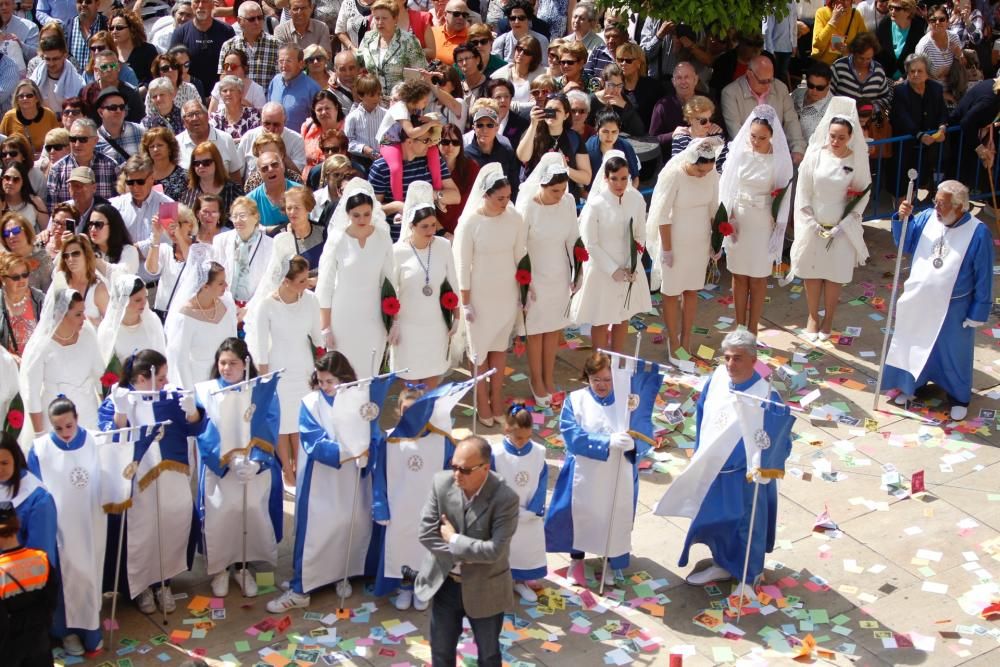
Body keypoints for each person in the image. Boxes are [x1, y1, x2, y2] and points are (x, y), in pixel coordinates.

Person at [654, 330, 795, 593]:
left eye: (738, 359)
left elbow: (780, 437)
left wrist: (765, 466)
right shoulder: (717, 378)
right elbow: (703, 412)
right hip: (712, 467)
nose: (730, 364)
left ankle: (748, 577)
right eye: (727, 358)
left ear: (754, 360)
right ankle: (722, 563)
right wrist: (699, 451)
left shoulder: (766, 395)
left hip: (744, 476)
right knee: (715, 521)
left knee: (745, 527)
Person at [265, 350, 385, 611]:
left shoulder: (359, 398)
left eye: (330, 381)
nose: (325, 387)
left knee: (350, 525)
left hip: (353, 477)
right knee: (319, 532)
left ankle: (343, 574)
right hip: (322, 479)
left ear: (343, 378)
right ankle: (302, 588)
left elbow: (373, 432)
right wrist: (353, 450)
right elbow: (314, 443)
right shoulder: (310, 403)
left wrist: (369, 448)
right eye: (321, 381)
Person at [545, 351, 661, 587]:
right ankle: (576, 561)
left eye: (607, 380)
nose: (601, 385)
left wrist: (634, 443)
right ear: (586, 377)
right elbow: (572, 436)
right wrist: (606, 442)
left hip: (618, 472)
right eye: (595, 379)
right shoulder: (575, 399)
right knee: (579, 516)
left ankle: (609, 561)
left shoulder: (627, 403)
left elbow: (643, 431)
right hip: (583, 473)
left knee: (613, 517)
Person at [97, 348, 198, 615]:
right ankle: (141, 587)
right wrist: (121, 412)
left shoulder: (170, 397)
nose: (166, 382)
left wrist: (192, 412)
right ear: (144, 377)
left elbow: (194, 427)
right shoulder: (119, 399)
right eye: (161, 377)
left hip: (171, 474)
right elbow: (112, 441)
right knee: (142, 534)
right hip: (138, 478)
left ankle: (164, 583)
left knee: (171, 527)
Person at [882, 181, 994, 421]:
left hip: (955, 306)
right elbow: (905, 243)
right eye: (936, 202)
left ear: (960, 207)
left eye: (942, 205)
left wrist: (978, 311)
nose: (937, 208)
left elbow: (983, 274)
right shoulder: (926, 217)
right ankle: (912, 385)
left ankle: (958, 397)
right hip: (920, 300)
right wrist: (901, 219)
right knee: (915, 343)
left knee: (953, 352)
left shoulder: (978, 232)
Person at [415, 435, 519, 667]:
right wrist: (470, 552)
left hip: (486, 588)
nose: (456, 475)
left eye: (464, 470)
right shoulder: (441, 484)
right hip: (446, 585)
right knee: (441, 652)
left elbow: (495, 551)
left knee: (489, 655)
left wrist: (453, 539)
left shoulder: (506, 499)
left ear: (485, 468)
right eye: (453, 467)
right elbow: (426, 534)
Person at [193, 337, 281, 598]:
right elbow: (203, 430)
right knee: (221, 515)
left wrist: (257, 460)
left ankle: (242, 566)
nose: (226, 368)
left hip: (251, 470)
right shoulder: (206, 391)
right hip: (220, 468)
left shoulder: (262, 391)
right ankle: (220, 569)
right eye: (222, 363)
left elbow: (270, 423)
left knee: (249, 513)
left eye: (232, 363)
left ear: (245, 364)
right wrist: (228, 458)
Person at [27, 397, 114, 656]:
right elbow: (34, 489)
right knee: (66, 577)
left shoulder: (96, 440)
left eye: (69, 425)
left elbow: (112, 469)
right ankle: (65, 633)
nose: (65, 432)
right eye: (58, 428)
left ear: (77, 418)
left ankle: (90, 630)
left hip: (92, 520)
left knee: (89, 574)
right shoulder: (39, 449)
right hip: (59, 526)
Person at [789, 97, 872, 340]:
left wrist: (844, 224)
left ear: (850, 137)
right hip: (814, 222)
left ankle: (829, 319)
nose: (835, 141)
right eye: (832, 135)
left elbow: (862, 193)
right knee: (812, 271)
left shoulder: (856, 160)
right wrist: (810, 221)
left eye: (841, 137)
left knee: (834, 273)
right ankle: (813, 316)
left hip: (841, 227)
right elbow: (803, 191)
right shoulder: (815, 155)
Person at [245, 238, 323, 487]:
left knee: (299, 421)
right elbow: (260, 344)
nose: (307, 283)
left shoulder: (310, 300)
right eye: (301, 280)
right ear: (286, 281)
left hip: (303, 368)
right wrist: (265, 377)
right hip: (278, 369)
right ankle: (286, 472)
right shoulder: (267, 305)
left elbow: (317, 336)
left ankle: (300, 469)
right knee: (282, 423)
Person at [454, 164, 526, 427]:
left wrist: (524, 290)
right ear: (485, 195)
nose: (505, 203)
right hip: (480, 294)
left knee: (499, 346)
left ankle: (498, 398)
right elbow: (462, 264)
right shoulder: (471, 222)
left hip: (506, 291)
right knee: (479, 350)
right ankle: (481, 401)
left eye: (508, 197)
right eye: (500, 198)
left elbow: (520, 255)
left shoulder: (514, 218)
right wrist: (466, 301)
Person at [718, 107, 794, 335]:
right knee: (739, 274)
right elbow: (727, 185)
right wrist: (727, 216)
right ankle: (740, 324)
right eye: (753, 136)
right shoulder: (738, 153)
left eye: (762, 137)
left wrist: (778, 223)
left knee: (759, 277)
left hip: (762, 221)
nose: (756, 141)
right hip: (739, 218)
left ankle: (754, 327)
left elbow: (784, 193)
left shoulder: (779, 159)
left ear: (771, 136)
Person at [645, 138, 721, 355]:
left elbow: (714, 209)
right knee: (671, 292)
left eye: (707, 171)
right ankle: (673, 340)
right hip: (675, 242)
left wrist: (717, 241)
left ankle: (686, 336)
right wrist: (667, 249)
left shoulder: (711, 174)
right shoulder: (674, 175)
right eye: (700, 170)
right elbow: (662, 214)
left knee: (691, 290)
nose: (703, 175)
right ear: (691, 161)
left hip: (700, 242)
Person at [570, 150, 650, 354]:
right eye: (614, 179)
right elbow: (590, 242)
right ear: (605, 178)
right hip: (602, 269)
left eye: (624, 178)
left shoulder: (637, 199)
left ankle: (617, 360)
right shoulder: (595, 205)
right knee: (602, 317)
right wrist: (612, 269)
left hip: (629, 266)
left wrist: (633, 262)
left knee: (623, 315)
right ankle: (600, 361)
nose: (620, 184)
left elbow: (641, 234)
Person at [515, 153, 577, 407]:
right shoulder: (528, 206)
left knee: (553, 328)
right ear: (542, 185)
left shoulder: (569, 202)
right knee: (536, 331)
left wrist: (578, 271)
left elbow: (573, 237)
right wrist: (525, 282)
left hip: (559, 272)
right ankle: (536, 379)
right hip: (535, 275)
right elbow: (519, 246)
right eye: (554, 190)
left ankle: (549, 378)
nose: (560, 194)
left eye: (563, 189)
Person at [316, 180, 394, 377]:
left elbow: (390, 281)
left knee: (369, 373)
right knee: (342, 375)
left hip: (373, 317)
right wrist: (325, 327)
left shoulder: (383, 237)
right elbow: (325, 285)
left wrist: (393, 321)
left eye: (367, 214)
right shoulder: (337, 239)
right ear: (347, 214)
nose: (362, 219)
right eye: (356, 215)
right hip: (343, 318)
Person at [389, 182, 459, 387]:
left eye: (433, 225)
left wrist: (456, 316)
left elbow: (452, 282)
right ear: (411, 226)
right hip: (408, 327)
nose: (430, 231)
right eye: (424, 226)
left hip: (435, 325)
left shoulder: (443, 246)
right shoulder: (397, 251)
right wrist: (393, 323)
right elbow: (391, 293)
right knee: (410, 385)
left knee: (432, 381)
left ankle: (428, 419)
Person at [20, 286, 104, 435]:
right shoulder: (41, 345)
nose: (84, 318)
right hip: (56, 419)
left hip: (89, 413)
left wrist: (107, 414)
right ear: (62, 314)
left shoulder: (88, 333)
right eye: (78, 314)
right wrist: (40, 435)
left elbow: (100, 376)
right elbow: (32, 393)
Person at [490, 405, 547, 602]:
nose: (523, 442)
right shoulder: (496, 454)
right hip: (504, 514)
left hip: (528, 515)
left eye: (527, 437)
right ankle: (502, 582)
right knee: (505, 551)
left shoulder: (539, 452)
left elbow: (542, 481)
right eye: (519, 438)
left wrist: (533, 510)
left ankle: (521, 581)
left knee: (525, 550)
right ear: (507, 429)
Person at [164, 244, 237, 388]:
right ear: (205, 286)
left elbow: (234, 343)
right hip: (198, 383)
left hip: (226, 380)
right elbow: (180, 360)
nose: (226, 286)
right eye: (221, 283)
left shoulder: (227, 304)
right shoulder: (185, 316)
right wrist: (190, 396)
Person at [721, 56, 806, 164]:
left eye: (770, 80)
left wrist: (797, 148)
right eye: (762, 81)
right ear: (749, 74)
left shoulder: (780, 88)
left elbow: (791, 120)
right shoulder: (730, 93)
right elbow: (736, 131)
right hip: (746, 155)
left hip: (778, 152)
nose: (768, 85)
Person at [516, 92, 590, 197]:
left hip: (563, 197)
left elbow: (586, 178)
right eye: (549, 109)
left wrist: (566, 168)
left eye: (557, 110)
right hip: (536, 196)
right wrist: (533, 124)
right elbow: (523, 157)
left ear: (566, 115)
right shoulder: (533, 133)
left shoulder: (573, 138)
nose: (552, 113)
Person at [358, 0, 429, 95]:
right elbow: (358, 64)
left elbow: (420, 76)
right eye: (377, 18)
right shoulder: (368, 38)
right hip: (374, 101)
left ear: (395, 19)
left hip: (402, 101)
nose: (380, 22)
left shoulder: (409, 41)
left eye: (384, 18)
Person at [46, 117, 118, 209]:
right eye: (73, 139)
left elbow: (118, 205)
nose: (77, 144)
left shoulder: (111, 166)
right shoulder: (57, 170)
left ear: (95, 141)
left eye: (83, 139)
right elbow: (53, 209)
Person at [169, 0, 235, 95]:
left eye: (205, 1)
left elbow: (233, 64)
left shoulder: (226, 31)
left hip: (221, 94)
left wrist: (218, 94)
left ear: (213, 4)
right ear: (192, 5)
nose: (200, 6)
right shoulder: (180, 33)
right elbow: (173, 65)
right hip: (189, 94)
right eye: (197, 1)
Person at [146, 204, 199, 318]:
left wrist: (179, 236)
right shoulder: (166, 249)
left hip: (185, 316)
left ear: (189, 224)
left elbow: (192, 264)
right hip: (161, 312)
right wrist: (156, 236)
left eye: (176, 224)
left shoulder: (201, 250)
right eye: (167, 225)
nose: (171, 230)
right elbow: (152, 270)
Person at [218, 2, 280, 91]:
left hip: (266, 102)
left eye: (260, 18)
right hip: (237, 102)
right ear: (239, 21)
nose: (257, 22)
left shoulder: (275, 45)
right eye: (251, 19)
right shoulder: (228, 46)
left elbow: (279, 79)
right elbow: (224, 76)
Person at [831, 32, 893, 117]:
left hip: (868, 123)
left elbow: (886, 97)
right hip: (841, 119)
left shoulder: (878, 70)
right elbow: (827, 94)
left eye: (868, 59)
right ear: (854, 53)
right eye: (861, 58)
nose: (865, 62)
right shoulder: (839, 67)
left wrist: (872, 107)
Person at [181, 142, 245, 224]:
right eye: (196, 163)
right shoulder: (187, 191)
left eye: (206, 162)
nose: (201, 166)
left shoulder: (234, 190)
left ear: (217, 163)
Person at [177, 100, 243, 179]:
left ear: (207, 115)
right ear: (183, 122)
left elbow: (235, 174)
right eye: (190, 115)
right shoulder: (176, 143)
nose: (195, 118)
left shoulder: (225, 139)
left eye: (198, 113)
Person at [465, 105, 520, 198]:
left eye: (490, 125)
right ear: (473, 128)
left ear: (497, 128)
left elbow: (514, 185)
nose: (484, 130)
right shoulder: (465, 155)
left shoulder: (507, 152)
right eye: (480, 125)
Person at [53, 233, 108, 326]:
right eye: (66, 256)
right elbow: (51, 316)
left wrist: (92, 322)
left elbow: (111, 325)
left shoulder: (98, 289)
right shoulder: (60, 282)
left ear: (86, 255)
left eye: (75, 254)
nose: (70, 259)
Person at [437, 122, 479, 238]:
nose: (450, 147)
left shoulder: (471, 167)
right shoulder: (429, 167)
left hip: (464, 230)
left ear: (461, 145)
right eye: (445, 142)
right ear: (438, 143)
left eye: (455, 143)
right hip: (436, 231)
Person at [267, 44, 322, 133]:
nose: (284, 65)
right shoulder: (275, 81)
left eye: (288, 61)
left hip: (300, 144)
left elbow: (319, 122)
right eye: (281, 61)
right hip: (274, 141)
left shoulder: (313, 89)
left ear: (301, 64)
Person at [0, 254, 44, 359]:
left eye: (25, 275)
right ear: (2, 279)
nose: (21, 280)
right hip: (8, 368)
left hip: (37, 363)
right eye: (15, 277)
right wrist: (8, 357)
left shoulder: (40, 300)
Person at [1, 199, 51, 289]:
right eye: (6, 234)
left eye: (16, 231)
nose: (11, 236)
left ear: (27, 231)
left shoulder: (43, 257)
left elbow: (48, 294)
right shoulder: (3, 260)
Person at [0, 81, 58, 156]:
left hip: (43, 162)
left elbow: (57, 142)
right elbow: (2, 144)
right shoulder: (9, 117)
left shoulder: (49, 115)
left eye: (29, 95)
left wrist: (43, 155)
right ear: (17, 99)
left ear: (37, 98)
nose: (25, 98)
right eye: (21, 96)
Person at [586, 110, 640, 190]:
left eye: (614, 132)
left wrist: (627, 195)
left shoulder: (625, 147)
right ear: (597, 130)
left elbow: (635, 178)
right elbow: (583, 187)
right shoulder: (589, 148)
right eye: (605, 132)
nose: (609, 136)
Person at [29, 37, 85, 113]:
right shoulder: (35, 79)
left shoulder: (79, 83)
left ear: (65, 56)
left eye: (55, 59)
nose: (51, 64)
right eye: (47, 59)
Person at [875, 0, 926, 81]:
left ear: (908, 11)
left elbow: (919, 58)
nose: (892, 11)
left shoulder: (919, 27)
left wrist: (905, 77)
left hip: (910, 78)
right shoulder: (885, 23)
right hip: (885, 77)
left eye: (897, 8)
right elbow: (876, 52)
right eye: (891, 8)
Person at [84, 202, 138, 274]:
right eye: (91, 224)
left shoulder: (129, 251)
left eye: (98, 224)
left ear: (113, 226)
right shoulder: (85, 251)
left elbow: (121, 275)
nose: (93, 229)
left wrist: (93, 257)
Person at [108, 9, 157, 88]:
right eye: (111, 28)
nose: (114, 31)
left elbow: (155, 76)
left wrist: (139, 92)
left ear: (132, 29)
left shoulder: (147, 50)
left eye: (119, 28)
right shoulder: (109, 51)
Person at [93, 87, 142, 165]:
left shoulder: (140, 131)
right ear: (100, 112)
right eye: (113, 108)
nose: (118, 111)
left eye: (122, 107)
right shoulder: (93, 140)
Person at [812, 0, 868, 65]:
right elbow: (818, 44)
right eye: (841, 0)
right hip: (824, 66)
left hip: (846, 65)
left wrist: (848, 49)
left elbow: (865, 42)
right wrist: (833, 20)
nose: (846, 3)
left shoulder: (855, 14)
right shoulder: (822, 12)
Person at [301, 91, 344, 173]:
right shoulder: (307, 127)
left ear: (336, 107)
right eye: (319, 110)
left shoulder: (347, 129)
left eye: (327, 108)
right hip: (310, 180)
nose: (323, 112)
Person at [210, 76, 262, 142]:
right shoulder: (216, 117)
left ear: (241, 93)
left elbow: (254, 138)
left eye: (232, 90)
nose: (228, 94)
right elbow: (213, 140)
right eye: (224, 91)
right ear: (220, 95)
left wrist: (228, 142)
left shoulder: (253, 114)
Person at [792, 62, 835, 141]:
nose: (814, 91)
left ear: (828, 84)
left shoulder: (832, 109)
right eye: (811, 86)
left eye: (820, 88)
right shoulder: (797, 93)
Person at [431, 0, 470, 66]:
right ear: (445, 15)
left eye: (464, 15)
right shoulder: (432, 33)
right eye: (456, 14)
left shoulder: (471, 38)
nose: (461, 17)